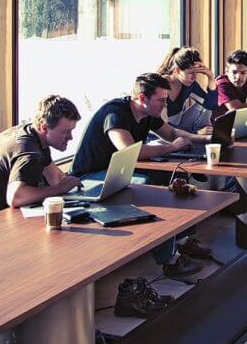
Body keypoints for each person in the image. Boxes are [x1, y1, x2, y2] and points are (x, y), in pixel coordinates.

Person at [71, 73, 209, 276]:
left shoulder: (148, 115)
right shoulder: (115, 114)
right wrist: (170, 148)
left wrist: (201, 139)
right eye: (160, 100)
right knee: (150, 187)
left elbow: (171, 134)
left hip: (119, 171)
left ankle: (183, 241)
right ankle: (169, 260)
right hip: (89, 179)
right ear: (143, 99)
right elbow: (130, 152)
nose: (164, 105)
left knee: (174, 176)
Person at [0, 95, 83, 224]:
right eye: (65, 132)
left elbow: (54, 176)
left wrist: (75, 185)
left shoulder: (30, 134)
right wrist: (59, 189)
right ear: (44, 127)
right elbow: (16, 198)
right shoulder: (30, 154)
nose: (70, 137)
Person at [156, 46, 217, 134]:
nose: (194, 77)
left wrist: (211, 78)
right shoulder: (160, 86)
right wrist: (195, 133)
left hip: (179, 127)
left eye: (196, 72)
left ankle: (204, 138)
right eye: (191, 73)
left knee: (204, 107)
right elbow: (163, 126)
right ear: (177, 70)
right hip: (161, 133)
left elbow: (211, 105)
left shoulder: (188, 84)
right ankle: (198, 138)